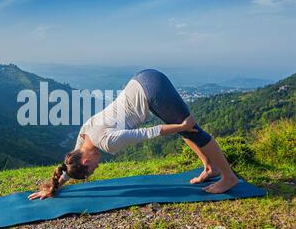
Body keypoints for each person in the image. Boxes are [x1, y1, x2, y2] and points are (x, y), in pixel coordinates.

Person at [28, 69, 238, 201]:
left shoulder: (107, 143)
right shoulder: (84, 137)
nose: (97, 168)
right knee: (184, 131)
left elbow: (149, 133)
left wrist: (182, 125)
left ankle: (228, 177)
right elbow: (68, 167)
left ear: (86, 160)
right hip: (142, 81)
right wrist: (53, 186)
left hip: (152, 90)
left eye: (91, 169)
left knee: (193, 131)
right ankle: (210, 168)